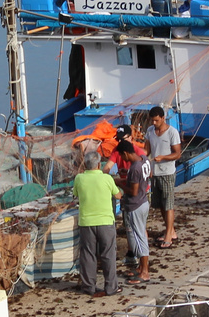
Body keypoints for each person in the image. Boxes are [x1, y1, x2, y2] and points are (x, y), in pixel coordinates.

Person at [73, 150, 120, 298]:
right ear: (99, 164)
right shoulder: (107, 178)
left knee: (88, 255)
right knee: (108, 255)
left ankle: (89, 287)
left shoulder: (79, 178)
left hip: (87, 222)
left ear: (85, 165)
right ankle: (111, 287)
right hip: (105, 221)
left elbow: (75, 194)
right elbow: (117, 194)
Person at [146, 106, 181, 247]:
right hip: (155, 173)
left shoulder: (172, 132)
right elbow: (146, 150)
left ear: (162, 118)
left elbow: (177, 154)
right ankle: (171, 230)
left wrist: (164, 158)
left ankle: (168, 236)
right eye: (152, 121)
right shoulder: (150, 131)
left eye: (156, 120)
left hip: (167, 172)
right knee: (160, 204)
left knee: (169, 205)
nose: (154, 123)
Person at [119, 140, 151, 283]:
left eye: (122, 156)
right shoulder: (144, 160)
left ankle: (144, 272)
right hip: (144, 202)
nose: (123, 160)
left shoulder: (135, 168)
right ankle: (140, 267)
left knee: (139, 237)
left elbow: (133, 191)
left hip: (135, 205)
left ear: (125, 153)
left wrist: (119, 183)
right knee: (141, 233)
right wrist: (129, 176)